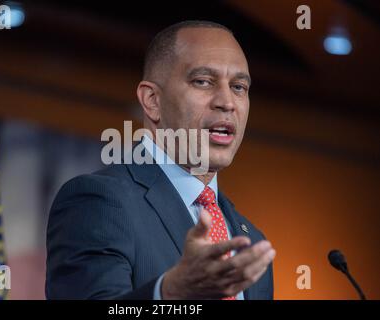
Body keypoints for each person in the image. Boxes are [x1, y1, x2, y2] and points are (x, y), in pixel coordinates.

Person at [46, 20, 276, 300]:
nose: (227, 102)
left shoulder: (252, 241)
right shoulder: (98, 202)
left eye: (239, 87)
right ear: (152, 100)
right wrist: (169, 293)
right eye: (203, 81)